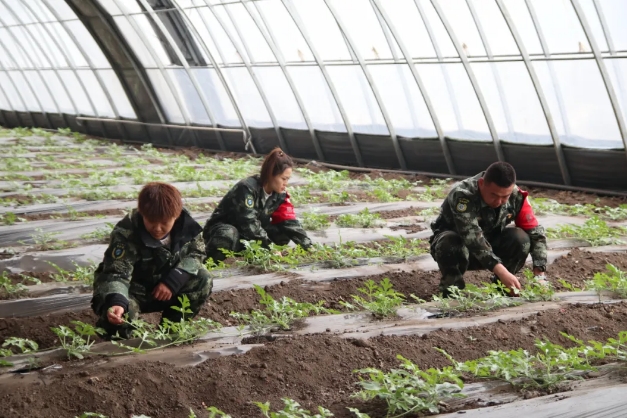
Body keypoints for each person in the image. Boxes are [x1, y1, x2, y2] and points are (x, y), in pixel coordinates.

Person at [91, 182, 212, 339]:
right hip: (132, 290)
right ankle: (110, 327)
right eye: (151, 221)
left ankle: (170, 332)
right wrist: (117, 302)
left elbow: (197, 252)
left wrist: (174, 280)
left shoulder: (186, 226)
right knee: (120, 322)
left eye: (164, 223)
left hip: (163, 287)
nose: (157, 228)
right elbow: (117, 273)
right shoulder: (127, 232)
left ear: (175, 216)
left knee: (202, 278)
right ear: (142, 214)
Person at [429, 162, 548, 297]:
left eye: (504, 197)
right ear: (481, 184)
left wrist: (539, 275)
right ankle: (452, 292)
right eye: (494, 195)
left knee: (520, 238)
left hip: (491, 246)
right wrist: (501, 271)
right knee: (450, 241)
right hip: (457, 250)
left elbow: (535, 233)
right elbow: (472, 237)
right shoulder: (463, 195)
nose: (498, 202)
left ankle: (503, 289)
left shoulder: (517, 196)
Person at [203, 147, 312, 262]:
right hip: (225, 232)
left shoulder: (279, 195)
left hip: (247, 236)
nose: (286, 183)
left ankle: (251, 254)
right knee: (228, 234)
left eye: (287, 179)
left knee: (282, 232)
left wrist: (309, 247)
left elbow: (289, 222)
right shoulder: (247, 188)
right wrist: (270, 248)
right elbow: (248, 223)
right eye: (283, 179)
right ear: (270, 175)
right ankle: (212, 261)